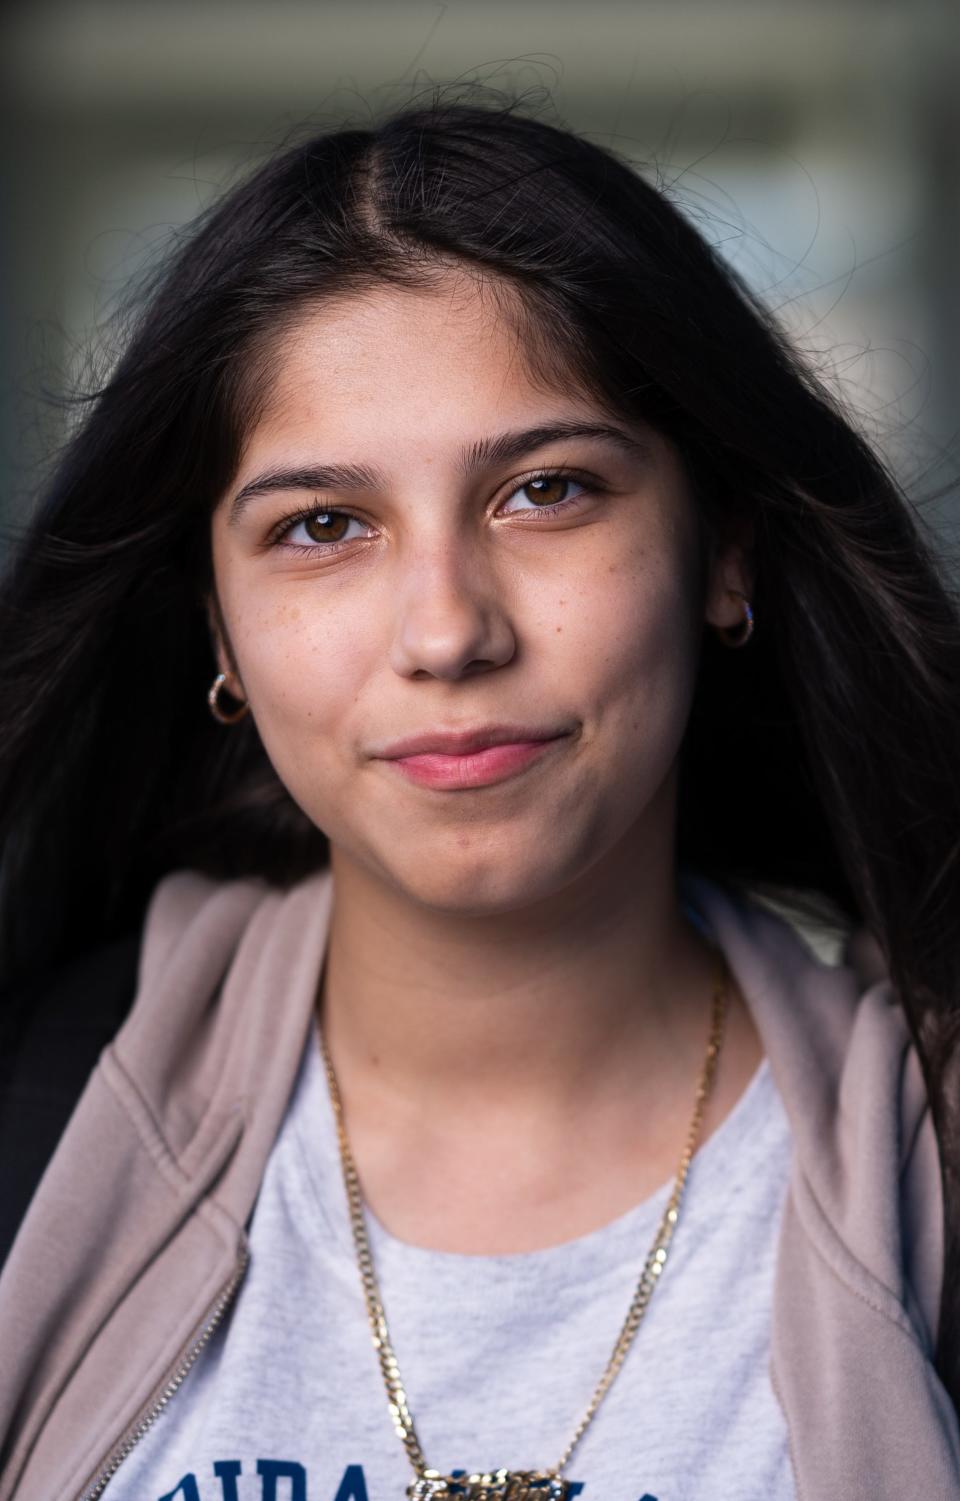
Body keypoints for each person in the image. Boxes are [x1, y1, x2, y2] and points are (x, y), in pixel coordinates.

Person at [0, 96, 958, 1501]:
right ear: (217, 627)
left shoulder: (928, 1166)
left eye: (547, 491)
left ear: (722, 555)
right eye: (322, 526)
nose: (447, 630)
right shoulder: (39, 1120)